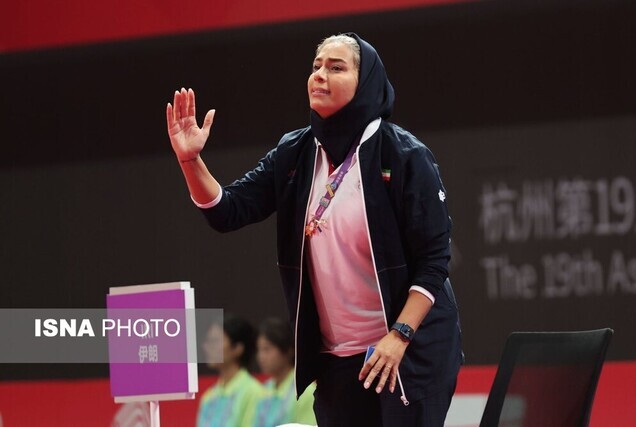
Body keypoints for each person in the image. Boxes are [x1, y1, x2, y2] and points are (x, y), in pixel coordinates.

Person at [167, 33, 463, 426]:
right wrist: (190, 161)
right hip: (337, 358)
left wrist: (400, 335)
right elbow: (228, 211)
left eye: (336, 67)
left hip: (407, 348)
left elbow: (434, 259)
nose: (319, 75)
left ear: (366, 82)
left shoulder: (404, 155)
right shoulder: (295, 152)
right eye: (316, 66)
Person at [197, 315, 264, 427]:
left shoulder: (254, 393)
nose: (207, 347)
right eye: (208, 341)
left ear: (238, 348)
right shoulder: (208, 397)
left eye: (215, 341)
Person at [253, 317, 316, 427]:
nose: (261, 356)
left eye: (267, 349)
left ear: (288, 350)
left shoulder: (305, 391)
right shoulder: (263, 389)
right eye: (259, 349)